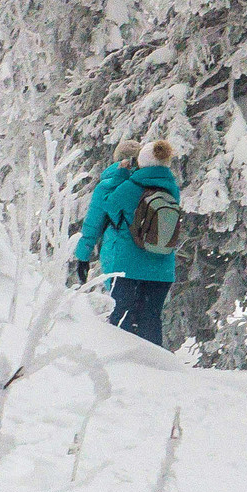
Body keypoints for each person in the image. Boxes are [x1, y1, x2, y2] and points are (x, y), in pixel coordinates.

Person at [94, 138, 181, 346]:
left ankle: (126, 370)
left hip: (128, 268)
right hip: (162, 269)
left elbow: (108, 204)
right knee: (150, 320)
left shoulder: (130, 187)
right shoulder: (172, 189)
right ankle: (155, 371)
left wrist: (120, 175)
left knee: (123, 321)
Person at [71, 140, 140, 286]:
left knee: (119, 301)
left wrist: (83, 257)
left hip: (116, 250)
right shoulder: (148, 183)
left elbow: (93, 224)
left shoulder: (106, 186)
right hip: (148, 250)